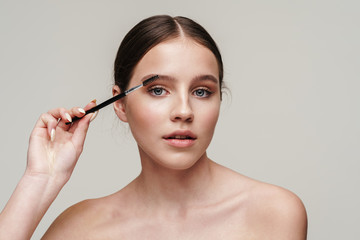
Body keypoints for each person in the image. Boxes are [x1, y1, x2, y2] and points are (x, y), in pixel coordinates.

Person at [0, 15, 307, 239]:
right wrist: (40, 180)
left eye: (202, 91)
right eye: (158, 90)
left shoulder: (274, 213)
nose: (184, 112)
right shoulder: (79, 230)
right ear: (120, 104)